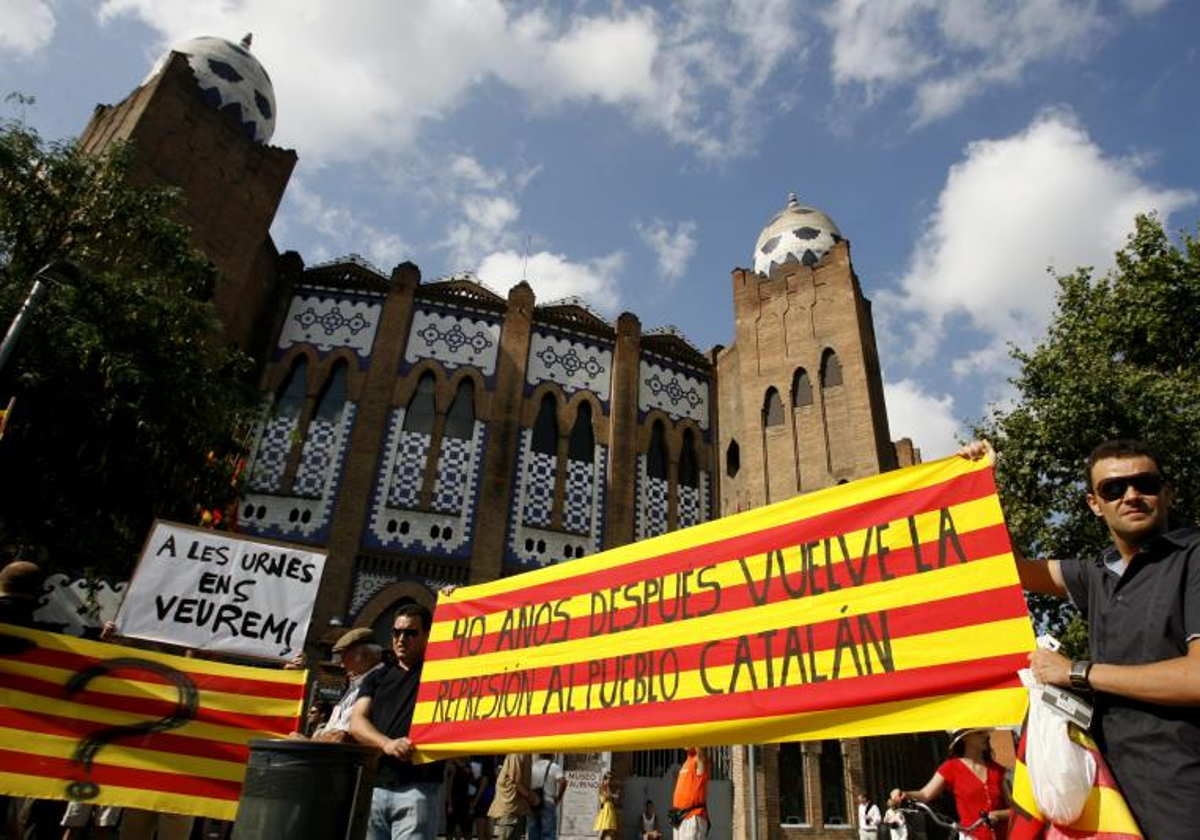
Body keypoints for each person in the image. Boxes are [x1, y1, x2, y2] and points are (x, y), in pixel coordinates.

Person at [962, 438, 1200, 839]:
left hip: (1181, 793)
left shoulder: (1192, 556)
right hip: (1112, 797)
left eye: (1146, 483)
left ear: (1167, 492)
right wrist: (983, 484)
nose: (1131, 495)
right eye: (1113, 489)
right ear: (1094, 503)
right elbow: (1013, 569)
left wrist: (1076, 672)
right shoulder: (1098, 572)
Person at [349, 603, 443, 840]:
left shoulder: (439, 675)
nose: (401, 639)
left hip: (419, 788)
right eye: (396, 632)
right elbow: (357, 721)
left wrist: (454, 602)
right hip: (375, 788)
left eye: (411, 633)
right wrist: (386, 744)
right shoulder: (377, 677)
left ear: (428, 635)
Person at [890, 728, 1009, 840]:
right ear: (965, 737)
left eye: (985, 732)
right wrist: (904, 794)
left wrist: (998, 814)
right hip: (971, 837)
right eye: (979, 733)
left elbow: (1015, 809)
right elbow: (925, 794)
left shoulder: (998, 770)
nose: (986, 736)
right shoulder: (950, 768)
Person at [310, 627, 384, 742]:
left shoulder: (380, 682)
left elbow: (343, 736)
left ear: (366, 656)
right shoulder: (355, 685)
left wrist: (316, 740)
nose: (342, 665)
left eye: (345, 657)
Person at [489, 753, 535, 840]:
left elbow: (515, 782)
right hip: (511, 810)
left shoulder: (516, 755)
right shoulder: (519, 755)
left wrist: (530, 797)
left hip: (511, 810)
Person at [670, 747, 708, 840]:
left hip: (692, 816)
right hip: (679, 818)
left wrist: (693, 736)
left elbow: (702, 751)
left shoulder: (699, 759)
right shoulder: (686, 762)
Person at [528, 753, 566, 840]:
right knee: (548, 833)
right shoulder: (553, 766)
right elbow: (563, 782)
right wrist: (558, 798)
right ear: (552, 756)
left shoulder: (533, 766)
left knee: (533, 832)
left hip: (533, 803)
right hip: (548, 801)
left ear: (540, 755)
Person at [470, 756, 496, 840]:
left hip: (481, 800)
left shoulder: (484, 766)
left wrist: (474, 802)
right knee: (487, 829)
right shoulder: (492, 768)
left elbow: (483, 783)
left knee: (481, 831)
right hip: (488, 799)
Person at [592, 771, 618, 840]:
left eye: (610, 780)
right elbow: (605, 796)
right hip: (606, 809)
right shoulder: (602, 786)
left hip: (609, 809)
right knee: (606, 829)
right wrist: (613, 796)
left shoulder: (608, 787)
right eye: (609, 779)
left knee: (608, 830)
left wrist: (614, 796)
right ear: (605, 779)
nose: (609, 781)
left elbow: (611, 797)